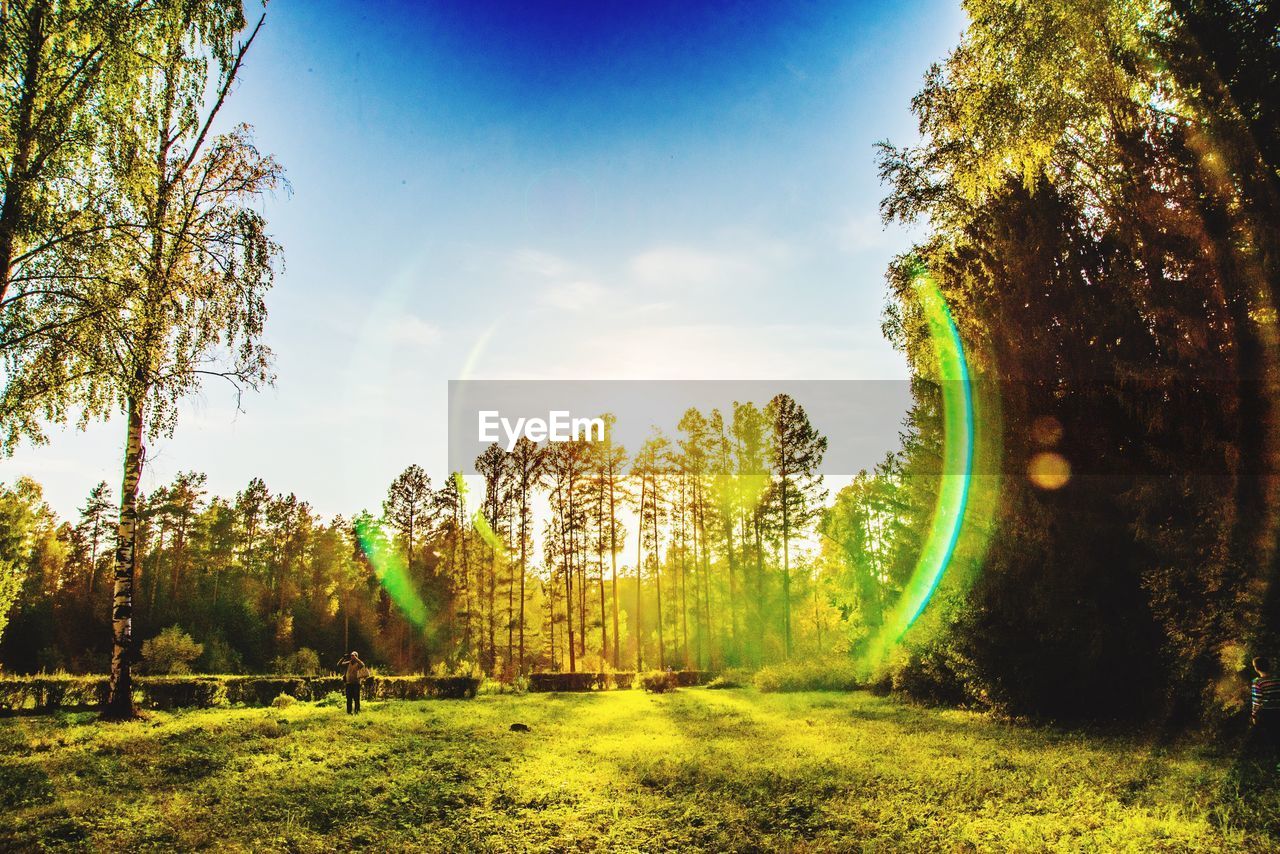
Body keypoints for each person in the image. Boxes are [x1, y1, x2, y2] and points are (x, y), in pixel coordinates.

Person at [1251, 655, 1279, 747]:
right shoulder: (1277, 679)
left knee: (1274, 737)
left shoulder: (1258, 682)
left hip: (1268, 713)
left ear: (1256, 668)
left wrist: (1254, 716)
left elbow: (1257, 701)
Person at [337, 651, 367, 715]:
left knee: (356, 698)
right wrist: (343, 658)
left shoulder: (358, 664)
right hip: (348, 683)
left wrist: (355, 658)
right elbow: (339, 664)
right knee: (349, 699)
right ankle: (349, 712)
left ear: (356, 656)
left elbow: (362, 664)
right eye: (351, 656)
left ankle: (357, 711)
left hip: (356, 684)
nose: (352, 657)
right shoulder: (348, 663)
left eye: (353, 655)